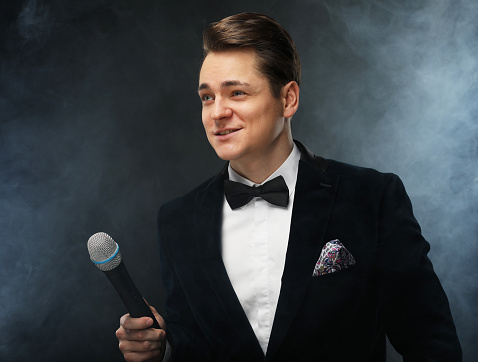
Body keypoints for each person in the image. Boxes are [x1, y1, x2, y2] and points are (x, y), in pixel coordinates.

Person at [115, 12, 462, 361]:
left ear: (288, 99)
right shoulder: (177, 220)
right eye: (207, 97)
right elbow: (193, 343)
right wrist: (163, 348)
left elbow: (431, 343)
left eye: (236, 92)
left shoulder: (372, 198)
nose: (217, 112)